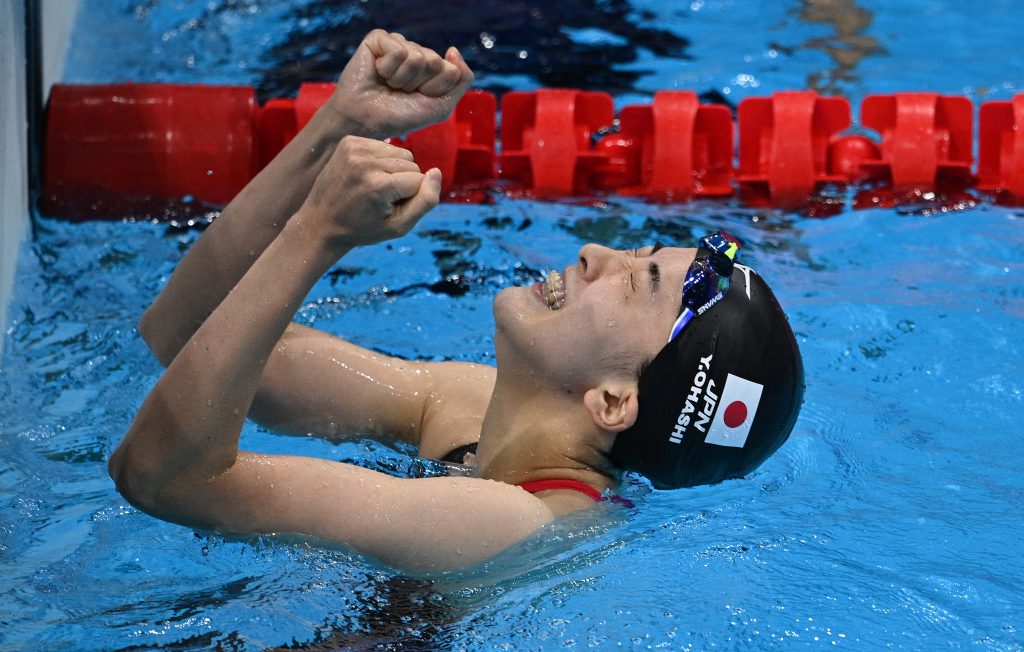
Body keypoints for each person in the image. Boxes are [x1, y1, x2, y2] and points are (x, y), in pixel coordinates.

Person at [108, 30, 804, 574]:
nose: (596, 256)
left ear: (614, 401)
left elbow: (161, 478)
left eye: (635, 282)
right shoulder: (474, 406)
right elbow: (185, 335)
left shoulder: (514, 525)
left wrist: (319, 235)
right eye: (637, 255)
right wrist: (338, 128)